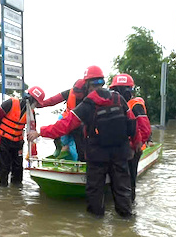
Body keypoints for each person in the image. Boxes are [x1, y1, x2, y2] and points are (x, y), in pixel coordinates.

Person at [28, 66, 137, 217]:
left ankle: (94, 227)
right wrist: (134, 145)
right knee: (122, 189)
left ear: (86, 84)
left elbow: (64, 126)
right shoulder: (119, 99)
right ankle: (126, 223)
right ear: (103, 82)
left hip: (97, 154)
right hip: (120, 152)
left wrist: (40, 132)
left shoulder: (88, 104)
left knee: (95, 191)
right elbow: (132, 123)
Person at [0, 86, 45, 187]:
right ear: (30, 99)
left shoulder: (31, 113)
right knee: (3, 168)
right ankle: (3, 190)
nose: (36, 105)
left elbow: (32, 133)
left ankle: (16, 194)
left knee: (18, 169)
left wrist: (33, 153)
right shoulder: (10, 103)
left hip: (17, 143)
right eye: (36, 102)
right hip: (3, 140)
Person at [109, 73, 152, 202]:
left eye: (118, 90)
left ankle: (129, 207)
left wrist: (133, 147)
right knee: (121, 180)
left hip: (133, 149)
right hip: (122, 148)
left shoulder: (135, 105)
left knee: (129, 180)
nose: (117, 93)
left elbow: (145, 129)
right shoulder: (120, 105)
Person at [41, 79, 87, 160]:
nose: (76, 94)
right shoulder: (69, 92)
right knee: (59, 122)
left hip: (81, 125)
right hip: (67, 120)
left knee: (78, 145)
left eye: (78, 92)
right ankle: (61, 148)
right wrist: (40, 104)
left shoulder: (90, 97)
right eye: (75, 91)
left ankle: (78, 159)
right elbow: (53, 100)